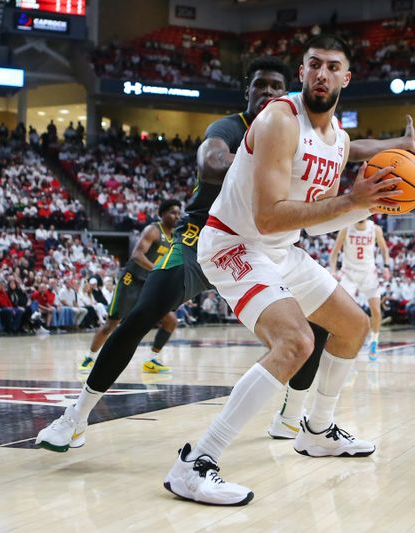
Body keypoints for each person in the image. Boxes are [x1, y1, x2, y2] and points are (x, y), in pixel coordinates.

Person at [34, 54, 415, 458]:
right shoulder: (233, 127)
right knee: (142, 315)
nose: (268, 93)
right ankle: (74, 417)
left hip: (265, 243)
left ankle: (296, 418)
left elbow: (348, 148)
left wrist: (397, 145)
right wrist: (263, 160)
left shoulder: (302, 127)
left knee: (323, 325)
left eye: (276, 87)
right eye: (260, 86)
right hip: (203, 235)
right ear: (248, 92)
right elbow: (210, 161)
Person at [162, 34, 402, 505]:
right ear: (302, 72)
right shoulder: (279, 119)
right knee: (296, 342)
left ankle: (315, 430)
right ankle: (195, 464)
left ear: (346, 78)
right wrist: (352, 201)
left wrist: (364, 206)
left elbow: (320, 214)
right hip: (232, 242)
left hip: (280, 248)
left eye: (333, 66)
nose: (322, 74)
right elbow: (270, 213)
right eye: (314, 64)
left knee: (354, 326)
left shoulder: (338, 142)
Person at [78, 199, 181, 373]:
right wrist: (157, 270)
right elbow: (137, 255)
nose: (176, 216)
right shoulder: (153, 230)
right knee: (112, 323)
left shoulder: (175, 237)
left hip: (149, 284)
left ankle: (152, 360)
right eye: (172, 212)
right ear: (162, 214)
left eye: (178, 213)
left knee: (171, 321)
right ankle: (89, 358)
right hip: (131, 280)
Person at [329, 217, 390, 360]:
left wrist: (386, 267)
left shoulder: (375, 229)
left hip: (368, 273)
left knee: (376, 310)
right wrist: (333, 271)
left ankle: (374, 341)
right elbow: (334, 252)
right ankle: (347, 342)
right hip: (349, 273)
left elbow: (384, 249)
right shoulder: (346, 227)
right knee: (343, 311)